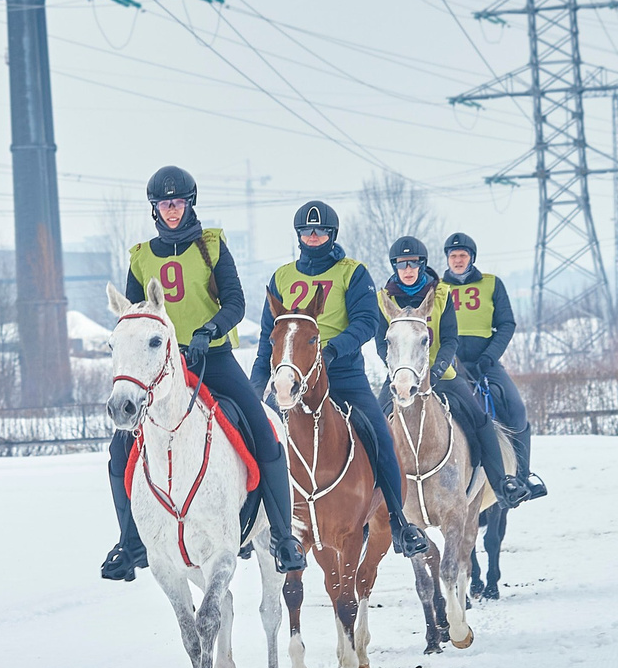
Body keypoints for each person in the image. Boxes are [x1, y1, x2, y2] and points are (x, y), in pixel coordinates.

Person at [101, 167, 305, 582]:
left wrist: (208, 331)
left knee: (264, 435)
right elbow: (137, 316)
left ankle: (283, 537)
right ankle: (130, 542)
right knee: (120, 450)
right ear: (155, 209)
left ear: (189, 204)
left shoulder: (211, 246)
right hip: (162, 371)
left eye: (178, 203)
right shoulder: (141, 256)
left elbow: (235, 300)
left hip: (213, 358)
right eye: (164, 204)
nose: (171, 210)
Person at [249, 201, 431, 559]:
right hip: (290, 375)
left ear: (331, 235)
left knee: (380, 434)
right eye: (307, 232)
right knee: (254, 437)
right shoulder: (282, 277)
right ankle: (253, 520)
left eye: (320, 232)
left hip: (342, 374)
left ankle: (398, 521)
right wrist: (258, 386)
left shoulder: (353, 272)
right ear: (299, 236)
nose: (313, 237)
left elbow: (366, 323)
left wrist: (331, 352)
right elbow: (268, 334)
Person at [377, 236, 530, 507]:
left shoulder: (440, 295)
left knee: (480, 418)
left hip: (442, 375)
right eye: (402, 264)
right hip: (401, 377)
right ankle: (375, 496)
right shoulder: (384, 300)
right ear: (395, 267)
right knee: (375, 424)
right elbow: (381, 342)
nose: (408, 269)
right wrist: (397, 370)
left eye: (414, 263)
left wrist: (436, 371)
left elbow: (449, 339)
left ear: (423, 265)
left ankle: (502, 483)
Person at [441, 231, 544, 501]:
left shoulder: (491, 284)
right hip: (448, 364)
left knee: (516, 407)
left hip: (485, 361)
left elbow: (507, 324)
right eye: (453, 256)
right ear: (447, 260)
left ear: (472, 258)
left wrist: (489, 356)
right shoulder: (437, 288)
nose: (458, 260)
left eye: (463, 255)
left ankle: (523, 475)